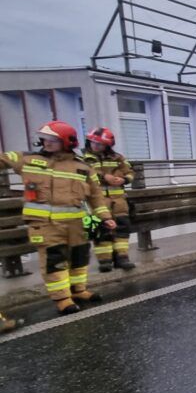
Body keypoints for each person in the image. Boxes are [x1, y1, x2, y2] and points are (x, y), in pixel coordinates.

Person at [1, 121, 116, 314]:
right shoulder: (28, 159)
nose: (47, 142)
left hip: (77, 223)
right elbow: (4, 159)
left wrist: (105, 217)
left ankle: (79, 290)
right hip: (45, 224)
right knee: (55, 260)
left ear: (67, 141)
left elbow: (95, 196)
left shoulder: (82, 167)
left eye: (53, 139)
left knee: (79, 256)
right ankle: (62, 298)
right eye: (45, 139)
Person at [81, 127, 136, 272]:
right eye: (93, 142)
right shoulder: (82, 159)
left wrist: (123, 180)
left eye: (99, 144)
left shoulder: (118, 158)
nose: (95, 146)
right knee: (100, 231)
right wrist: (104, 176)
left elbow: (130, 172)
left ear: (108, 145)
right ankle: (105, 261)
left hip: (119, 202)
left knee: (122, 230)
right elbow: (84, 173)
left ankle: (123, 258)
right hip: (96, 204)